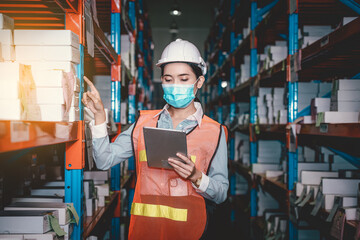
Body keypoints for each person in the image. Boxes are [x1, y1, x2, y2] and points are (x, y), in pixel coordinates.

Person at [83, 39, 229, 240]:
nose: (175, 85)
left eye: (184, 79)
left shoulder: (215, 131)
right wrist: (99, 120)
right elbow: (104, 160)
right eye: (168, 79)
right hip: (145, 231)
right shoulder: (143, 124)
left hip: (190, 233)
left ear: (199, 82)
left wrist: (197, 176)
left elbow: (221, 193)